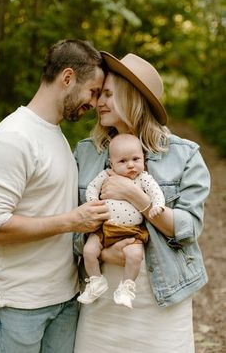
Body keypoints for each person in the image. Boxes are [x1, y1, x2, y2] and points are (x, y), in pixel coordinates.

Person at [73, 51, 211, 352]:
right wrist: (108, 255)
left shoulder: (184, 155)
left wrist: (138, 198)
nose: (99, 103)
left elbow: (188, 229)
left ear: (132, 97)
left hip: (162, 300)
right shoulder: (86, 153)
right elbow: (72, 228)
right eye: (99, 94)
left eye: (108, 94)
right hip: (102, 300)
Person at [0, 39, 110, 353]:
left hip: (63, 301)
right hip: (18, 306)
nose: (95, 103)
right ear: (67, 78)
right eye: (93, 91)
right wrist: (71, 221)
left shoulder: (54, 134)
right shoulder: (13, 137)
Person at [77, 133, 165, 308]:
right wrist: (94, 201)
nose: (131, 165)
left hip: (132, 230)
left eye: (135, 159)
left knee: (135, 255)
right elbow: (92, 187)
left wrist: (158, 206)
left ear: (144, 159)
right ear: (112, 163)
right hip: (104, 227)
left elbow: (156, 193)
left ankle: (127, 287)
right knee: (89, 250)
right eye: (123, 161)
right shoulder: (107, 175)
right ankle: (95, 281)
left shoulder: (143, 178)